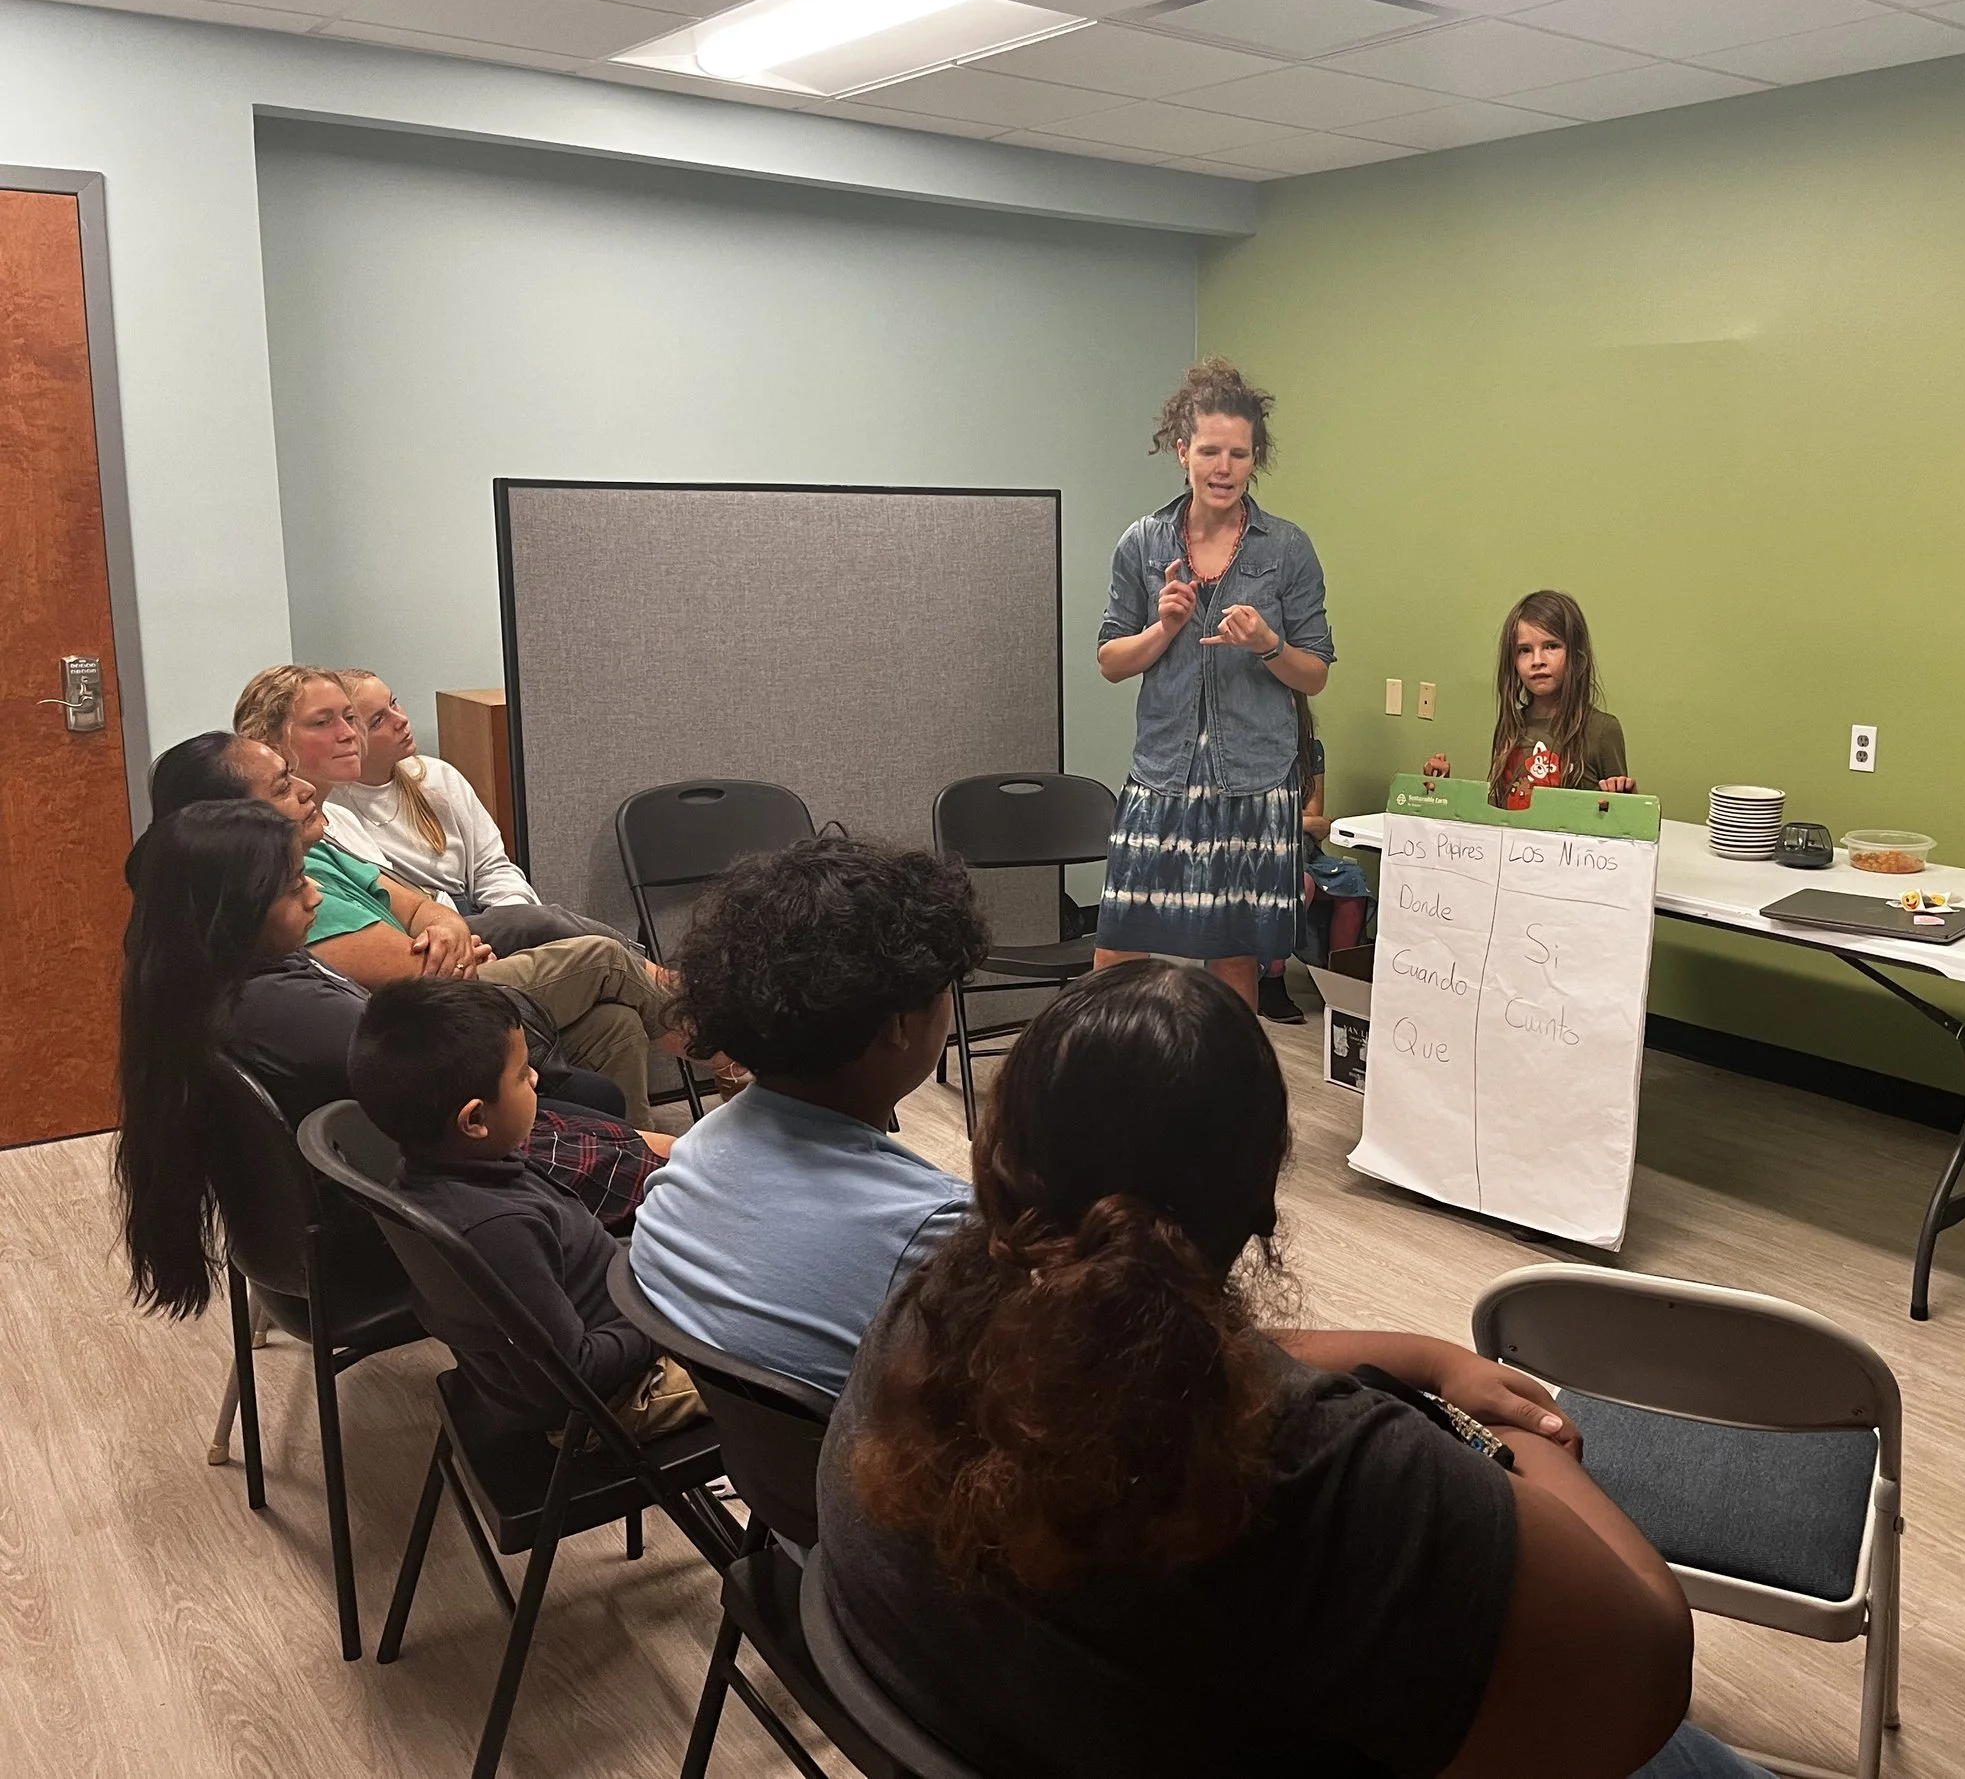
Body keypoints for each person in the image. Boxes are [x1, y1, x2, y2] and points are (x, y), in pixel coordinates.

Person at [814, 960, 1766, 1779]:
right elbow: (1648, 1662)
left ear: (1004, 1150)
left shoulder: (927, 1310)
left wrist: (1426, 1357)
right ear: (1263, 1195)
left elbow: (1140, 1351)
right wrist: (1523, 1444)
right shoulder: (1334, 1473)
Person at [112, 802, 664, 1327]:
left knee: (625, 1093)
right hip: (407, 1223)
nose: (315, 896)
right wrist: (458, 986)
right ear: (232, 908)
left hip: (391, 1180)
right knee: (673, 1167)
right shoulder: (284, 1011)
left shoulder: (211, 985)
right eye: (295, 885)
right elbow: (449, 1076)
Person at [232, 666, 696, 1127]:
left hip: (456, 955)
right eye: (324, 722)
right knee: (600, 958)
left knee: (613, 1021)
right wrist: (451, 933)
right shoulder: (294, 861)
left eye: (352, 718)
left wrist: (448, 927)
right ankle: (721, 1038)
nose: (348, 733)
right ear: (272, 747)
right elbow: (414, 972)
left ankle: (637, 1173)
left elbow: (424, 902)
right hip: (426, 1020)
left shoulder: (340, 823)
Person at [629, 837, 989, 1397]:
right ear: (898, 1025)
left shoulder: (692, 1156)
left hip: (762, 1464)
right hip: (855, 1476)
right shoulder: (937, 1230)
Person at [352, 980, 701, 1440]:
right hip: (625, 1396)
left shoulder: (447, 1170)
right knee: (796, 1357)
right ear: (474, 1120)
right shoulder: (497, 1229)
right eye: (521, 1074)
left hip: (620, 1305)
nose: (536, 1078)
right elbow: (576, 1374)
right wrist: (664, 1310)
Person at [1094, 359, 1335, 1009]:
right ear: (1183, 452)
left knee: (1233, 955)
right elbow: (1111, 660)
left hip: (1253, 779)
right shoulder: (1142, 543)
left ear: (1256, 458)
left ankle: (1235, 1100)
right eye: (1209, 451)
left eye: (1238, 452)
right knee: (1116, 946)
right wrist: (1162, 629)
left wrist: (1268, 644)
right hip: (1161, 774)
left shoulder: (1287, 549)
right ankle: (1103, 1079)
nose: (1223, 466)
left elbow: (1312, 671)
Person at [324, 669, 627, 953]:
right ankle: (656, 974)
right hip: (431, 933)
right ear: (350, 737)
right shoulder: (334, 813)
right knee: (543, 923)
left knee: (608, 1003)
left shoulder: (437, 777)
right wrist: (520, 925)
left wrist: (513, 914)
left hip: (486, 914)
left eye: (394, 703)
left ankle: (650, 977)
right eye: (378, 720)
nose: (400, 719)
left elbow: (492, 867)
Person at [1426, 589, 1636, 808]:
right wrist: (1443, 791)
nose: (1537, 660)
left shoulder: (1603, 730)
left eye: (1551, 646)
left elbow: (1619, 816)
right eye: (1524, 650)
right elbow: (1496, 810)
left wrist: (1626, 795)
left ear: (1576, 654)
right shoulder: (1511, 726)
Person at [1256, 692, 1373, 1025]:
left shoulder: (1311, 751)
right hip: (1260, 856)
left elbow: (1318, 821)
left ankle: (1337, 983)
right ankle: (1271, 981)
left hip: (1304, 851)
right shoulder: (1248, 754)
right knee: (1299, 884)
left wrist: (1299, 821)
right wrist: (1304, 822)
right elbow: (1264, 821)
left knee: (1353, 882)